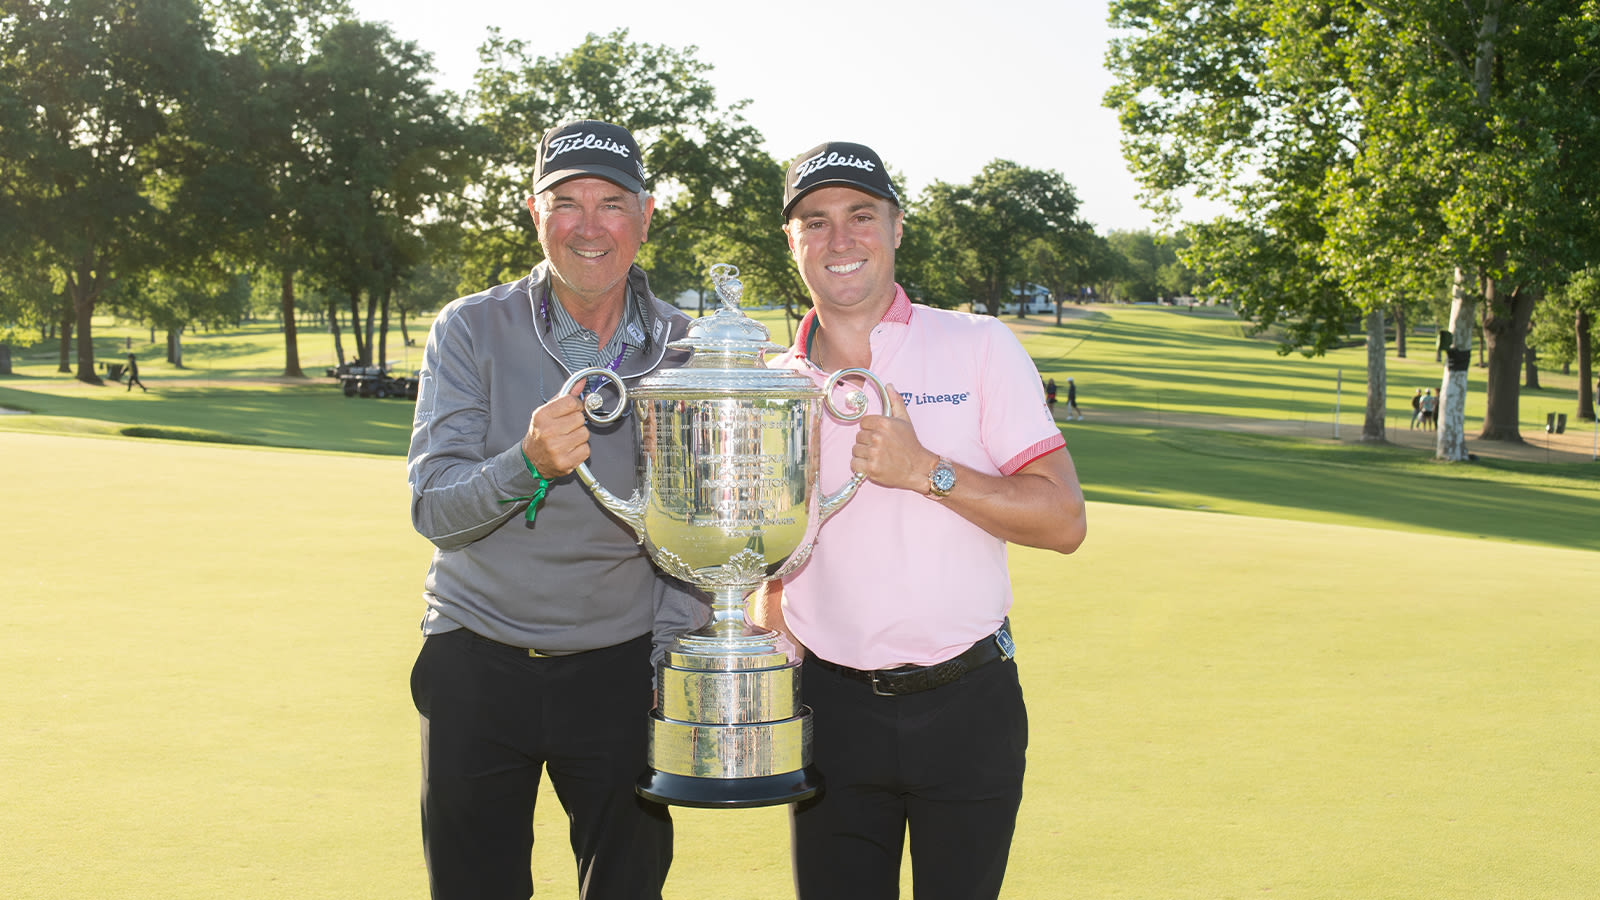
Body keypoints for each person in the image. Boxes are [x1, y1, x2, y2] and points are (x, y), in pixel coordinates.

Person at [757, 141, 1088, 900]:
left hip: (968, 702)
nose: (839, 240)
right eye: (815, 221)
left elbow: (1063, 519)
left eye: (860, 216)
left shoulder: (978, 345)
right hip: (831, 709)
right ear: (792, 241)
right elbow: (767, 549)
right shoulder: (771, 386)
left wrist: (925, 472)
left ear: (897, 228)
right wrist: (768, 598)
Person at [406, 119, 706, 900]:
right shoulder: (470, 327)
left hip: (620, 668)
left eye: (611, 202)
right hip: (477, 658)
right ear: (534, 214)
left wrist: (669, 656)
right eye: (565, 202)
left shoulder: (688, 348)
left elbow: (697, 532)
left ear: (645, 215)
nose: (589, 224)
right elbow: (435, 511)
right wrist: (525, 464)